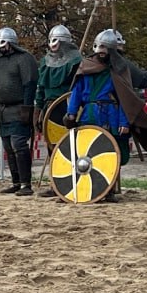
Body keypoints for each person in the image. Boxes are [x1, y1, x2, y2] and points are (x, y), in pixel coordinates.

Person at [64, 28, 147, 201]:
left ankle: (110, 189)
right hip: (89, 116)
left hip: (111, 116)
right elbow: (76, 93)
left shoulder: (118, 70)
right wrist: (71, 114)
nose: (103, 53)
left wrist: (124, 122)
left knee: (112, 154)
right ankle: (88, 188)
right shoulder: (85, 67)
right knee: (86, 153)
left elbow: (124, 99)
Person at [33, 24, 83, 196]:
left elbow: (79, 88)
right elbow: (40, 87)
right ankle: (56, 184)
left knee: (70, 148)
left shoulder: (76, 61)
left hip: (67, 107)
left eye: (55, 41)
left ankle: (72, 183)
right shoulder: (45, 61)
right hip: (49, 108)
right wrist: (38, 110)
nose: (52, 45)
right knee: (52, 148)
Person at [0, 26, 38, 195]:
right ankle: (16, 182)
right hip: (3, 110)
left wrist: (27, 107)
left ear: (10, 43)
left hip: (18, 108)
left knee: (19, 145)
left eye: (3, 43)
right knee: (9, 147)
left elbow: (30, 84)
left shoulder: (24, 59)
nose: (0, 47)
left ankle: (26, 184)